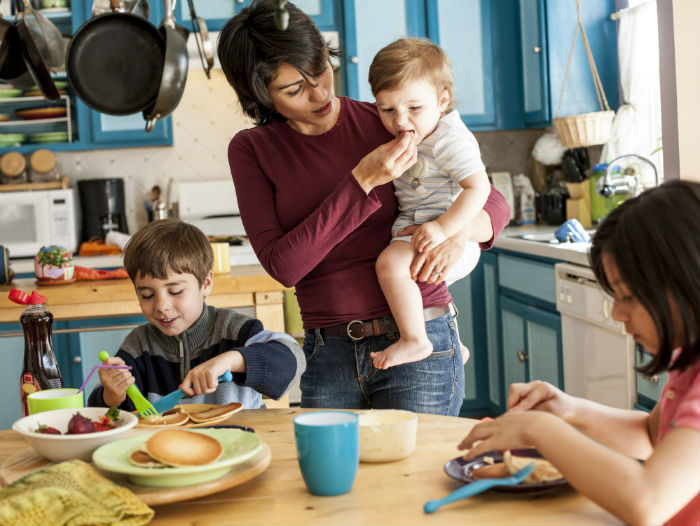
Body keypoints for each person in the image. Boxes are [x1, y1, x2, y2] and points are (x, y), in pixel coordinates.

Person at [218, 0, 510, 416]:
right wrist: (363, 180)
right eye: (294, 89)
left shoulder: (389, 118)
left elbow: (493, 198)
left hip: (421, 339)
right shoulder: (252, 151)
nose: (319, 93)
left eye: (319, 69)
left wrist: (456, 232)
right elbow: (284, 266)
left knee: (419, 480)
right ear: (260, 95)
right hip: (329, 352)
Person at [458, 180, 700, 526]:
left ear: (685, 282)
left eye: (627, 296)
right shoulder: (688, 359)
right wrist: (568, 410)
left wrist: (540, 430)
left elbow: (646, 502)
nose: (617, 314)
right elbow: (650, 435)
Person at [88, 219, 305, 411]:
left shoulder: (234, 330)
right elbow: (101, 412)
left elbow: (294, 358)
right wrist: (113, 395)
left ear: (206, 283)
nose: (161, 306)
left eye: (175, 291)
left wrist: (233, 360)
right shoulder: (138, 345)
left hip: (239, 444)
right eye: (146, 295)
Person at [367, 38, 490, 369]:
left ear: (443, 99)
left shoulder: (448, 140)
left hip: (450, 236)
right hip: (424, 232)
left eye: (414, 109)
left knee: (390, 266)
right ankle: (455, 344)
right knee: (415, 281)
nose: (400, 122)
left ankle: (415, 340)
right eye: (387, 110)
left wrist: (443, 229)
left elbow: (479, 188)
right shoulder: (414, 135)